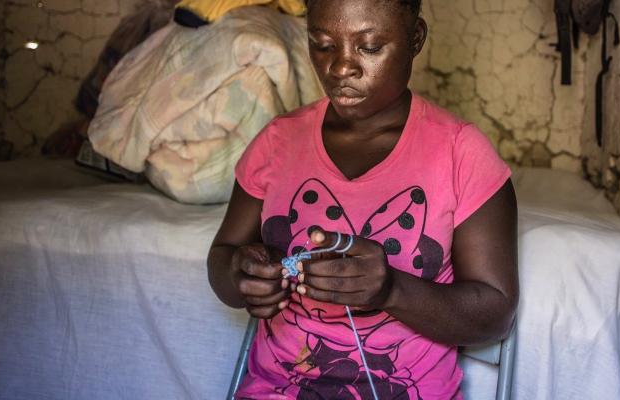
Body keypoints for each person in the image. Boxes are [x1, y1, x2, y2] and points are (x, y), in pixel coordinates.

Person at [208, 0, 519, 398]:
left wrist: (391, 290)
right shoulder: (279, 141)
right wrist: (242, 274)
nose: (340, 68)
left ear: (415, 39)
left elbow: (495, 314)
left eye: (369, 47)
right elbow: (223, 257)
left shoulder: (461, 152)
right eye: (322, 44)